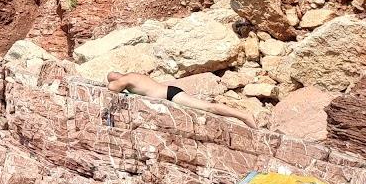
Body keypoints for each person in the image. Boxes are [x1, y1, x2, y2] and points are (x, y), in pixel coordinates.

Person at [105, 71, 259, 128]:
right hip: (170, 92)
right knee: (207, 108)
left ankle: (244, 116)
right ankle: (243, 116)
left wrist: (114, 84)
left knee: (209, 107)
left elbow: (112, 89)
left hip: (171, 94)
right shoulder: (133, 76)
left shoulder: (127, 79)